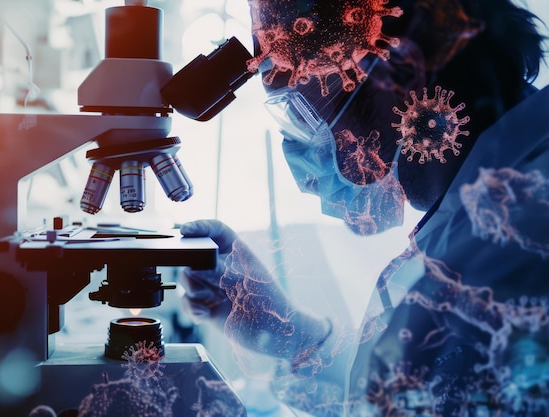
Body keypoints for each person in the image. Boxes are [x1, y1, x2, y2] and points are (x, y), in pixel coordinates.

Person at [179, 0, 549, 415]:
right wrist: (290, 335)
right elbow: (402, 392)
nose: (303, 164)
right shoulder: (487, 215)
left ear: (401, 74)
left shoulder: (517, 249)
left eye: (300, 117)